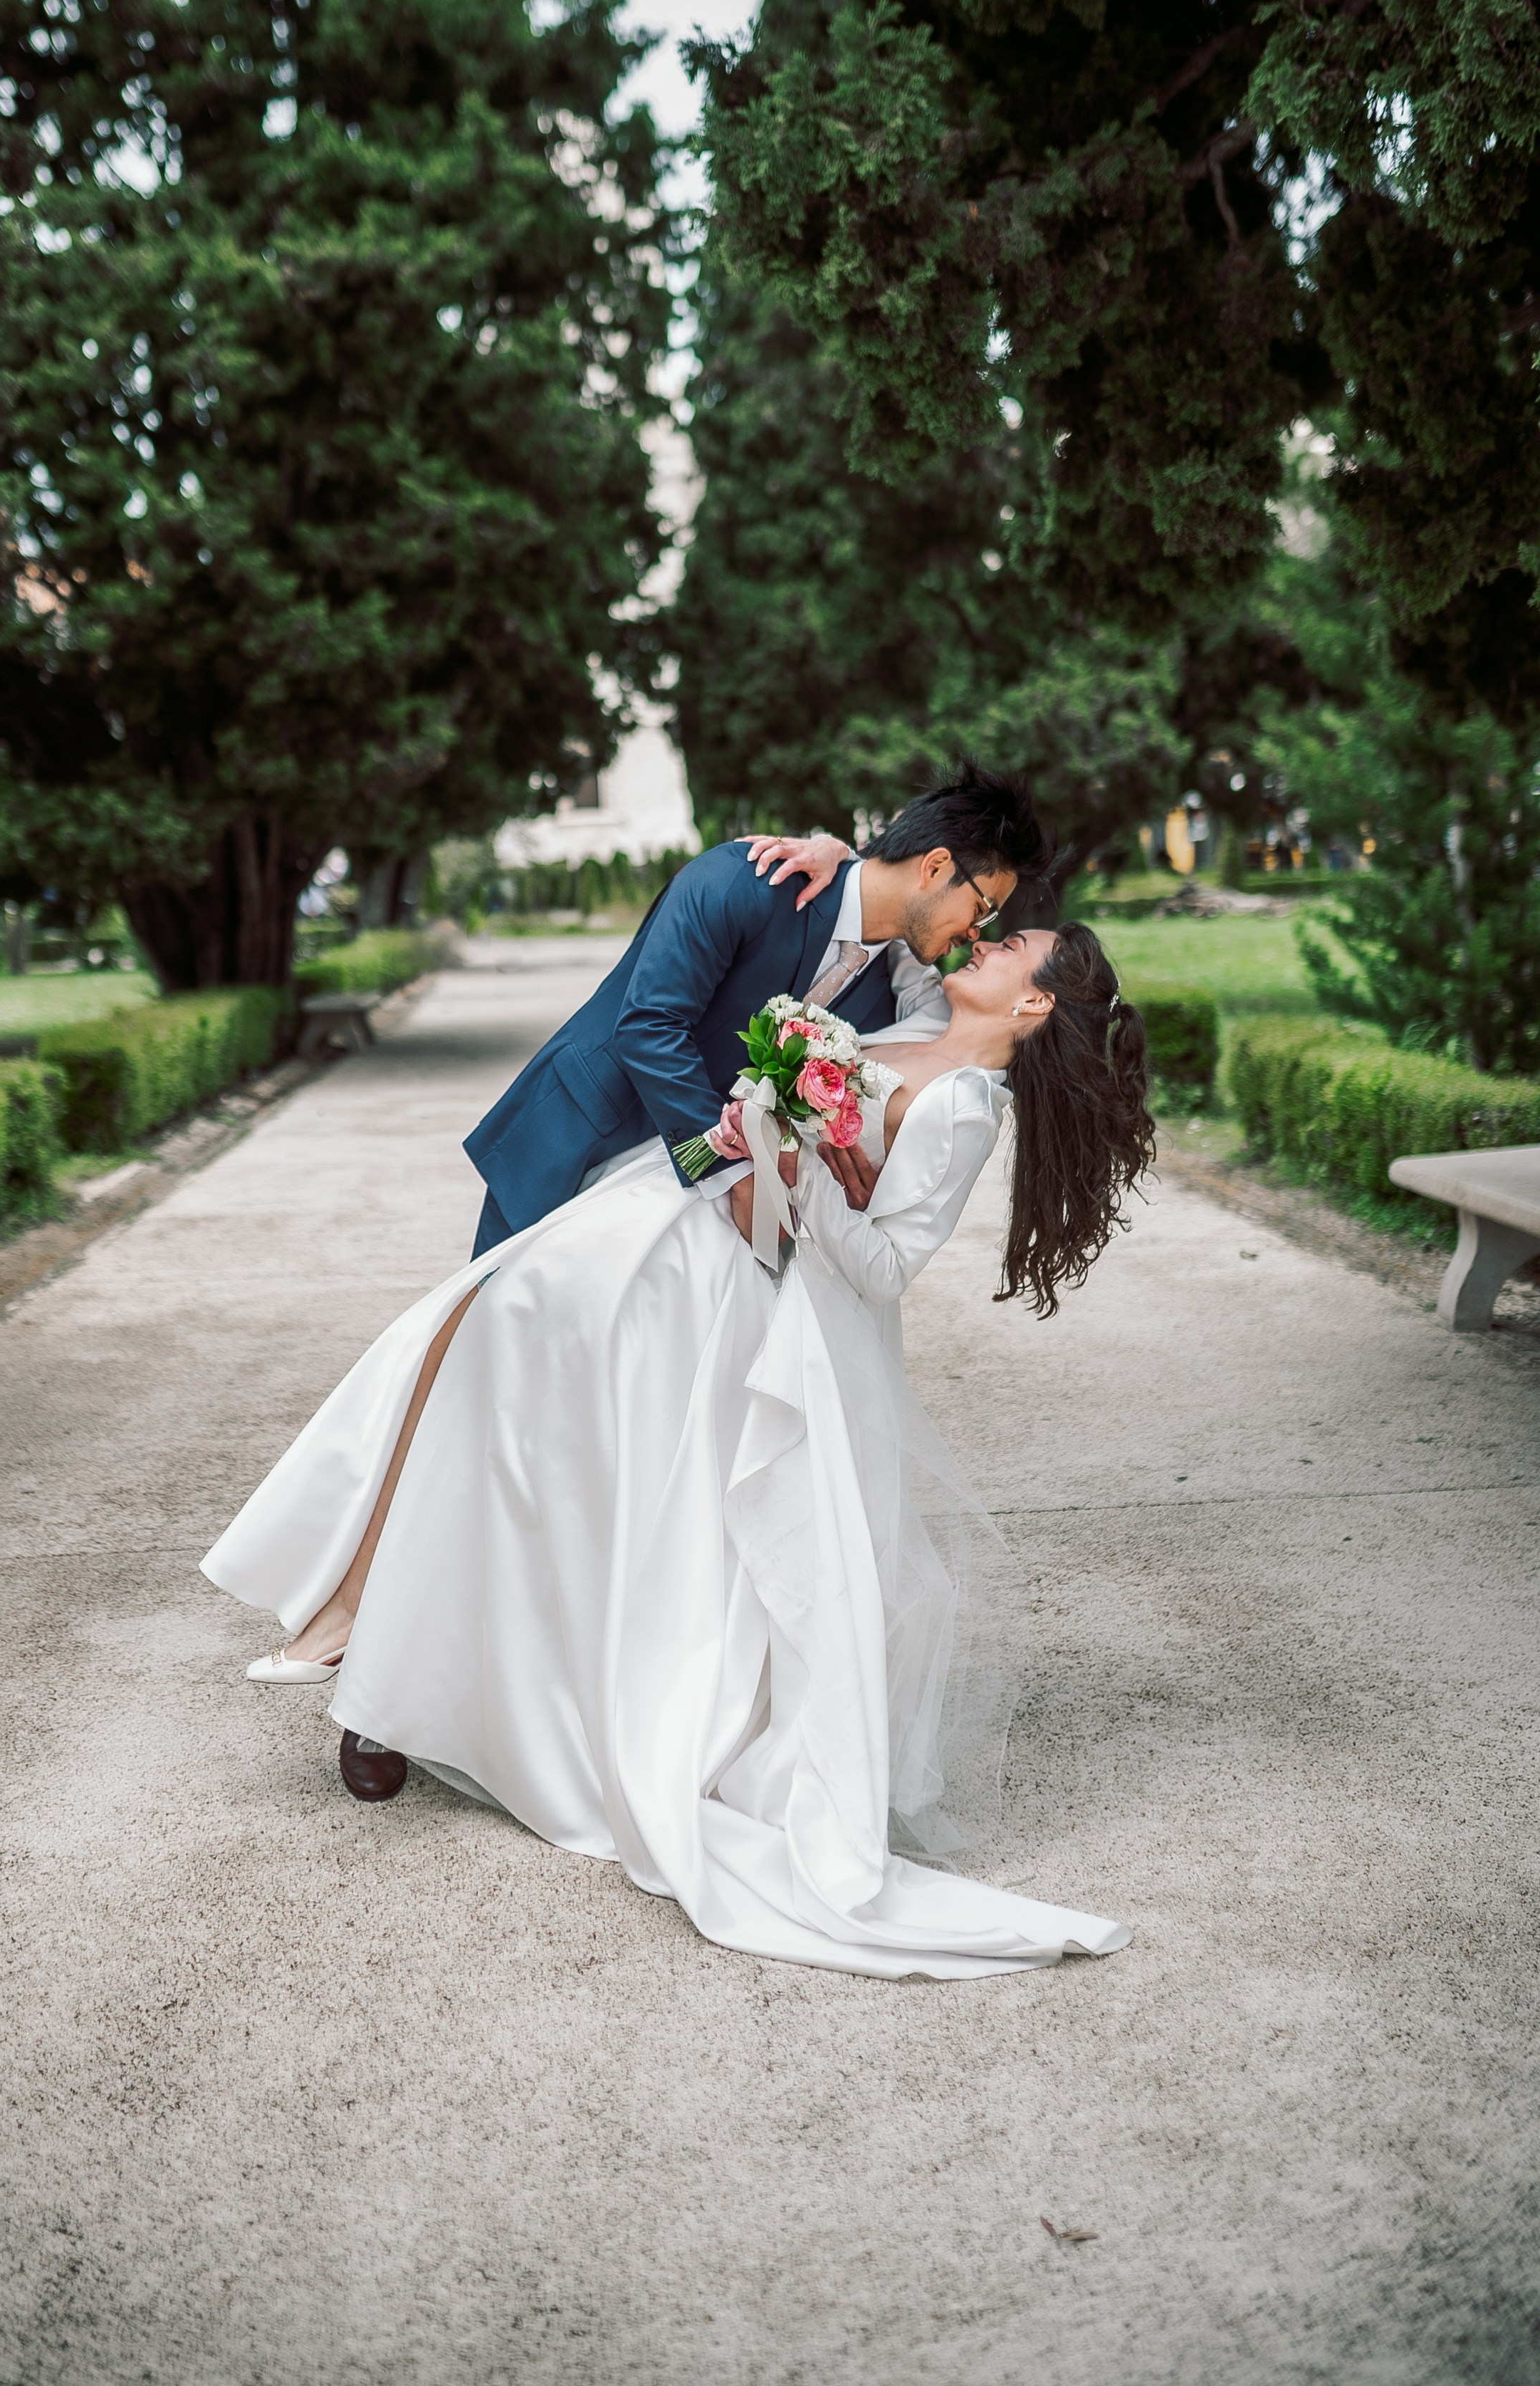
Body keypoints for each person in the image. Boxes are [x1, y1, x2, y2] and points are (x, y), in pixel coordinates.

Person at [201, 909, 1157, 1982]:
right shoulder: (920, 1010)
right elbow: (875, 910)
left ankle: (419, 1681)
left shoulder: (966, 1107)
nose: (980, 944)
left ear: (1034, 1003)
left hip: (762, 1290)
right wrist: (813, 888)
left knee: (597, 1475)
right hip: (683, 1218)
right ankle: (374, 1639)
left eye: (1008, 949)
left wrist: (794, 1163)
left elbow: (886, 1267)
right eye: (987, 927)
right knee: (487, 1339)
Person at [461, 762, 1051, 1255]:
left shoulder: (892, 993)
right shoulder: (745, 880)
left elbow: (981, 1035)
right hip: (578, 1133)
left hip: (671, 1207)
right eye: (984, 908)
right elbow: (648, 1026)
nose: (978, 933)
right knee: (491, 1334)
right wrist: (732, 1175)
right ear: (937, 867)